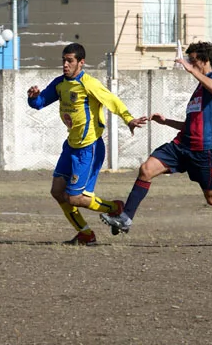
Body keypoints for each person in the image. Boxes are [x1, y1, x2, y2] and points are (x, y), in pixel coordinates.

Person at [100, 41, 212, 244]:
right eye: (189, 61)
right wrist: (166, 122)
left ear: (204, 61)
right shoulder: (199, 90)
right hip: (182, 146)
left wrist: (191, 70)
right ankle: (126, 218)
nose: (189, 65)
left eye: (193, 61)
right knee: (146, 169)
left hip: (204, 150)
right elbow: (190, 124)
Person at [27, 43, 147, 246]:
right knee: (57, 192)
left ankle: (114, 208)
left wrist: (129, 119)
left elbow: (112, 100)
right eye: (63, 60)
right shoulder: (60, 84)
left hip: (88, 149)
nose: (65, 64)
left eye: (70, 61)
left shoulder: (88, 83)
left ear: (81, 63)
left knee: (74, 198)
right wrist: (33, 98)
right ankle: (85, 234)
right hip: (70, 147)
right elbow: (39, 104)